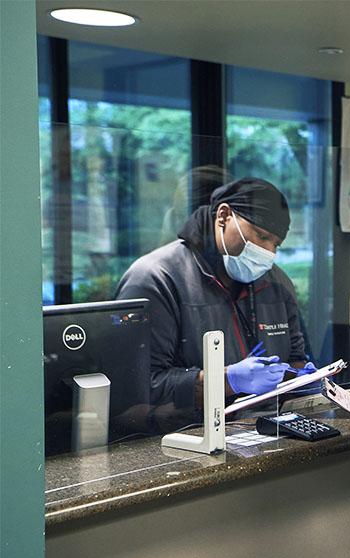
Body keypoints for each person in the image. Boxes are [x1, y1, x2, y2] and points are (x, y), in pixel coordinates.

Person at [117, 177, 315, 433]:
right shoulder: (156, 279)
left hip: (261, 435)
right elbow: (138, 389)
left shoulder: (276, 283)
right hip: (182, 443)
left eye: (275, 244)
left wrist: (302, 379)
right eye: (262, 236)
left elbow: (295, 357)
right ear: (224, 216)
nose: (268, 252)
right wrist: (227, 381)